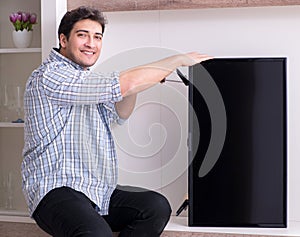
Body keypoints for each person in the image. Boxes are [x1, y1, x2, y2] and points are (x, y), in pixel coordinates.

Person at [21, 6, 212, 237]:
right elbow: (124, 84)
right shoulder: (51, 75)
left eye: (97, 37)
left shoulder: (88, 80)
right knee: (97, 233)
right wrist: (175, 60)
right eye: (82, 35)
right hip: (55, 190)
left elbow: (120, 113)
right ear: (63, 39)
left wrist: (136, 87)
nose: (91, 43)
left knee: (155, 207)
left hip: (94, 188)